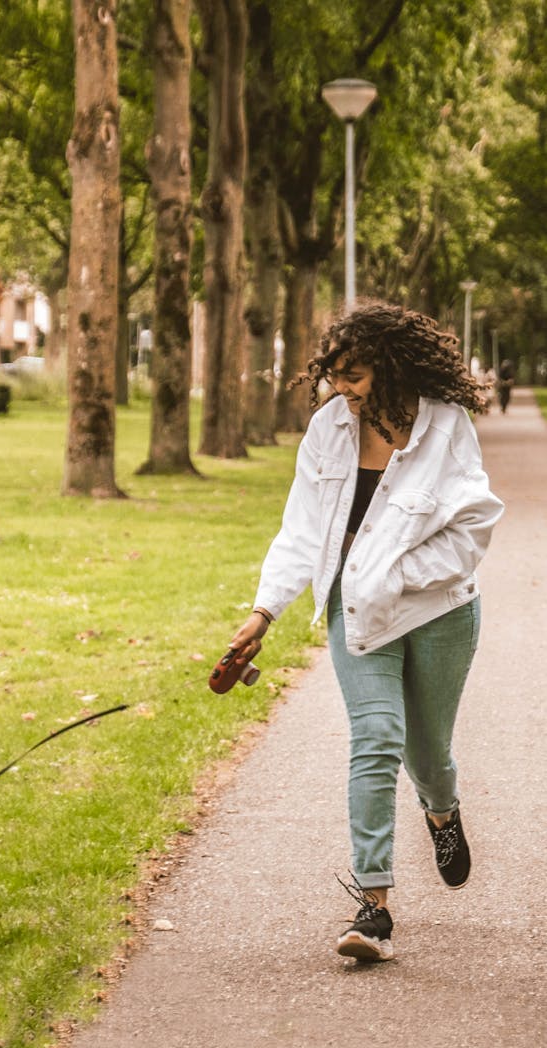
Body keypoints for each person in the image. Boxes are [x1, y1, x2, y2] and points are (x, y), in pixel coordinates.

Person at [227, 302, 504, 963]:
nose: (342, 389)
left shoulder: (445, 425)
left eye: (354, 374)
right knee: (377, 735)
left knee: (428, 751)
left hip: (440, 610)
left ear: (392, 365)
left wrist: (395, 572)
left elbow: (471, 533)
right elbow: (300, 530)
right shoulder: (328, 430)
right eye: (336, 376)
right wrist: (264, 611)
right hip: (356, 613)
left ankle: (442, 810)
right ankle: (373, 906)